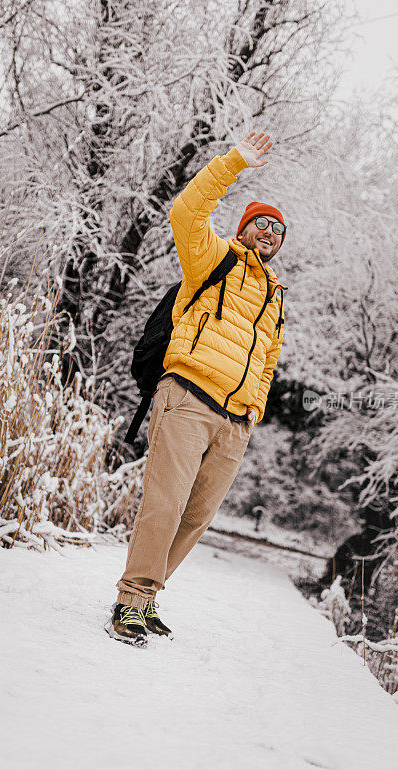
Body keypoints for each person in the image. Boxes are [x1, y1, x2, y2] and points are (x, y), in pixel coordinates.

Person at [107, 131, 288, 647]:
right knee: (164, 504)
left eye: (278, 230)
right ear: (244, 227)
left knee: (196, 516)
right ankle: (130, 600)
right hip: (187, 397)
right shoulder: (213, 260)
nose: (270, 233)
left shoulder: (275, 296)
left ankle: (150, 597)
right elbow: (186, 210)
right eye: (262, 223)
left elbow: (269, 359)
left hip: (235, 423)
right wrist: (234, 163)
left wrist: (254, 410)